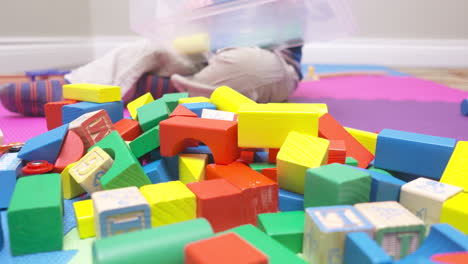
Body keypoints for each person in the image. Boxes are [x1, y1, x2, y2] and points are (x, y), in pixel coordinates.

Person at [0, 1, 303, 116]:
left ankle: (154, 90)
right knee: (147, 48)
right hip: (207, 51)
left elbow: (310, 16)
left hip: (268, 60)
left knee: (252, 67)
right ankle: (76, 86)